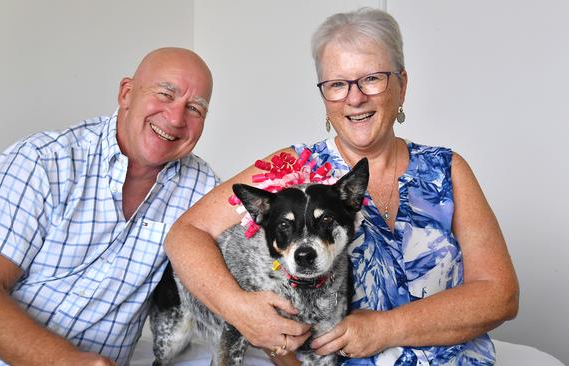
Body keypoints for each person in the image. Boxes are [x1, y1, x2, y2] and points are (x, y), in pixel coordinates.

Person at [164, 8, 519, 365]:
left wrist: (386, 328)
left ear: (402, 85)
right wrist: (239, 310)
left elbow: (500, 295)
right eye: (337, 84)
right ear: (324, 96)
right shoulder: (293, 170)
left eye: (371, 79)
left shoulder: (447, 170)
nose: (355, 98)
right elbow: (185, 234)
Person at [0, 47, 219, 365]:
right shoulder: (43, 160)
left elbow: (258, 269)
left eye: (195, 109)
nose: (175, 118)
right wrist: (69, 361)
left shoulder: (202, 189)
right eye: (164, 94)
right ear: (127, 93)